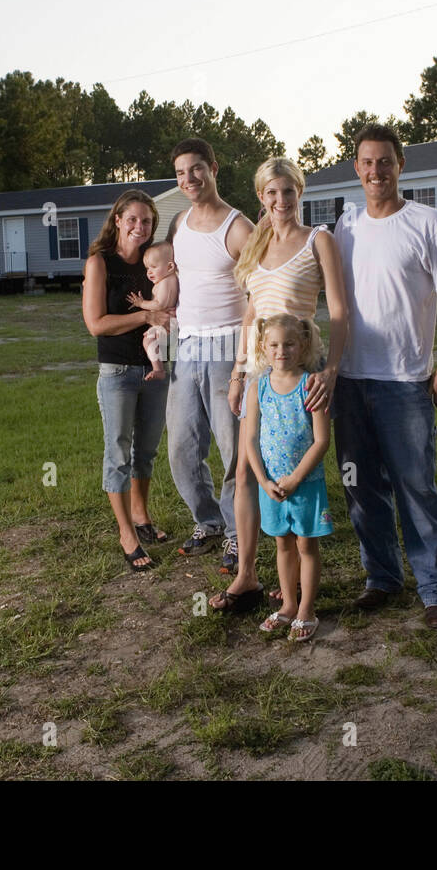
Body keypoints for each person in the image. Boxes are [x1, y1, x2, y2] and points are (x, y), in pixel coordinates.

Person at [333, 123, 437, 630]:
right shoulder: (343, 228)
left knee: (416, 485)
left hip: (406, 381)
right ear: (357, 168)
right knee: (361, 486)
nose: (376, 171)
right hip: (350, 379)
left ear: (400, 165)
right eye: (367, 162)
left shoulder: (428, 223)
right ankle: (382, 578)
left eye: (385, 161)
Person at [208, 156, 348, 614]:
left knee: (299, 463)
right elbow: (250, 314)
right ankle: (248, 575)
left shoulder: (318, 240)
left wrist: (330, 371)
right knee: (247, 468)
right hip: (256, 370)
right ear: (261, 197)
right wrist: (237, 373)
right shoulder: (256, 244)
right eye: (271, 193)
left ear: (299, 192)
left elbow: (341, 312)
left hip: (298, 367)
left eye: (288, 191)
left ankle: (300, 574)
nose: (280, 200)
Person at [164, 138, 256, 568]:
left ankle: (238, 535)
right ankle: (209, 520)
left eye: (196, 169)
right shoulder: (179, 222)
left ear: (213, 168)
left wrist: (245, 360)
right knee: (181, 446)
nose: (189, 179)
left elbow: (261, 292)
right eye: (181, 173)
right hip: (186, 344)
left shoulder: (238, 228)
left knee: (232, 448)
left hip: (226, 346)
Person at [81, 190, 175, 571]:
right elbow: (96, 325)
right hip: (117, 371)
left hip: (155, 371)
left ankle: (141, 515)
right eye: (132, 219)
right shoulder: (100, 263)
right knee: (118, 453)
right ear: (117, 220)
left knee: (146, 451)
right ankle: (126, 534)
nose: (140, 227)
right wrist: (145, 318)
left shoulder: (155, 265)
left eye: (147, 221)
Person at [245, 314, 333, 642]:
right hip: (272, 487)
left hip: (305, 485)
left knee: (306, 544)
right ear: (263, 347)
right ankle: (288, 605)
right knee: (283, 544)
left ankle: (307, 609)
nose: (281, 351)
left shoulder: (311, 385)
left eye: (289, 344)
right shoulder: (258, 388)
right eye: (274, 345)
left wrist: (296, 478)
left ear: (303, 345)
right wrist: (263, 480)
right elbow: (251, 440)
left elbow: (322, 441)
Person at [126, 241, 178, 381]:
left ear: (170, 267)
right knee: (153, 342)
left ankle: (158, 369)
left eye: (154, 267)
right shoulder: (167, 279)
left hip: (166, 322)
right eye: (147, 268)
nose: (149, 272)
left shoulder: (167, 282)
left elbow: (159, 304)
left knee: (147, 341)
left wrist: (141, 303)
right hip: (166, 322)